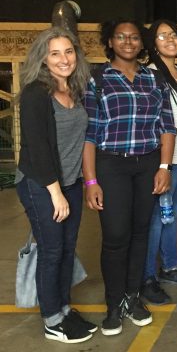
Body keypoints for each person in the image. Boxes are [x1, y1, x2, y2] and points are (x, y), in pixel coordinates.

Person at [83, 19, 176, 336]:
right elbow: (90, 135)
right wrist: (91, 181)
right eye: (121, 37)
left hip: (148, 164)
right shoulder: (97, 79)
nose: (128, 42)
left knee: (140, 234)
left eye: (134, 37)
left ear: (142, 43)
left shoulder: (155, 79)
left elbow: (167, 127)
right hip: (112, 165)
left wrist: (164, 168)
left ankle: (132, 298)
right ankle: (113, 306)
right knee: (115, 237)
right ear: (110, 41)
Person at [15, 27, 95, 343]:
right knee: (51, 251)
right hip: (42, 184)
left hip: (71, 182)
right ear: (43, 59)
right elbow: (36, 146)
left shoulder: (75, 90)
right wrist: (55, 192)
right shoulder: (37, 93)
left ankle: (63, 309)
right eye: (55, 53)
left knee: (66, 249)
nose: (64, 59)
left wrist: (79, 183)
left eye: (69, 51)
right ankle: (51, 319)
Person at [141, 19, 177, 305]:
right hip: (167, 161)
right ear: (153, 44)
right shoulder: (152, 74)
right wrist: (161, 165)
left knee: (170, 216)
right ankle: (148, 277)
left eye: (174, 34)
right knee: (156, 218)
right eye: (163, 35)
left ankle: (170, 267)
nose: (170, 39)